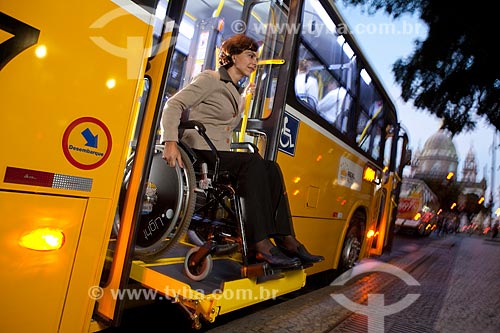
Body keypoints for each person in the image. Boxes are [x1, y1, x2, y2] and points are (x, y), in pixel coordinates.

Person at [161, 34, 324, 269]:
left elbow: (226, 125)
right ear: (233, 56)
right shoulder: (210, 79)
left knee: (270, 167)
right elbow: (173, 104)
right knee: (251, 162)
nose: (254, 61)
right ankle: (260, 244)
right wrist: (169, 141)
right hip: (199, 150)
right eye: (250, 55)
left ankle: (286, 238)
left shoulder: (234, 90)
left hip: (217, 152)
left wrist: (244, 99)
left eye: (256, 57)